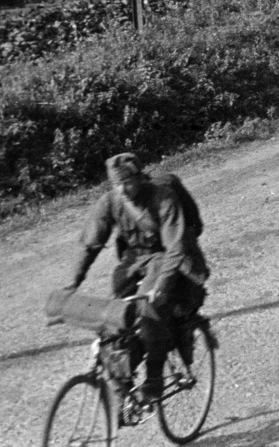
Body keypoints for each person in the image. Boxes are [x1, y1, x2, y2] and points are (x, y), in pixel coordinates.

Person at [65, 153, 209, 407]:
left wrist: (162, 285)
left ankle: (154, 380)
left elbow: (175, 245)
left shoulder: (163, 197)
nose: (123, 189)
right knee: (114, 318)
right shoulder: (111, 201)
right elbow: (89, 244)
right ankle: (123, 382)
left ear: (140, 177)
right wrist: (72, 284)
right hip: (134, 261)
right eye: (117, 184)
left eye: (128, 182)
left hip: (166, 257)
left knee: (150, 312)